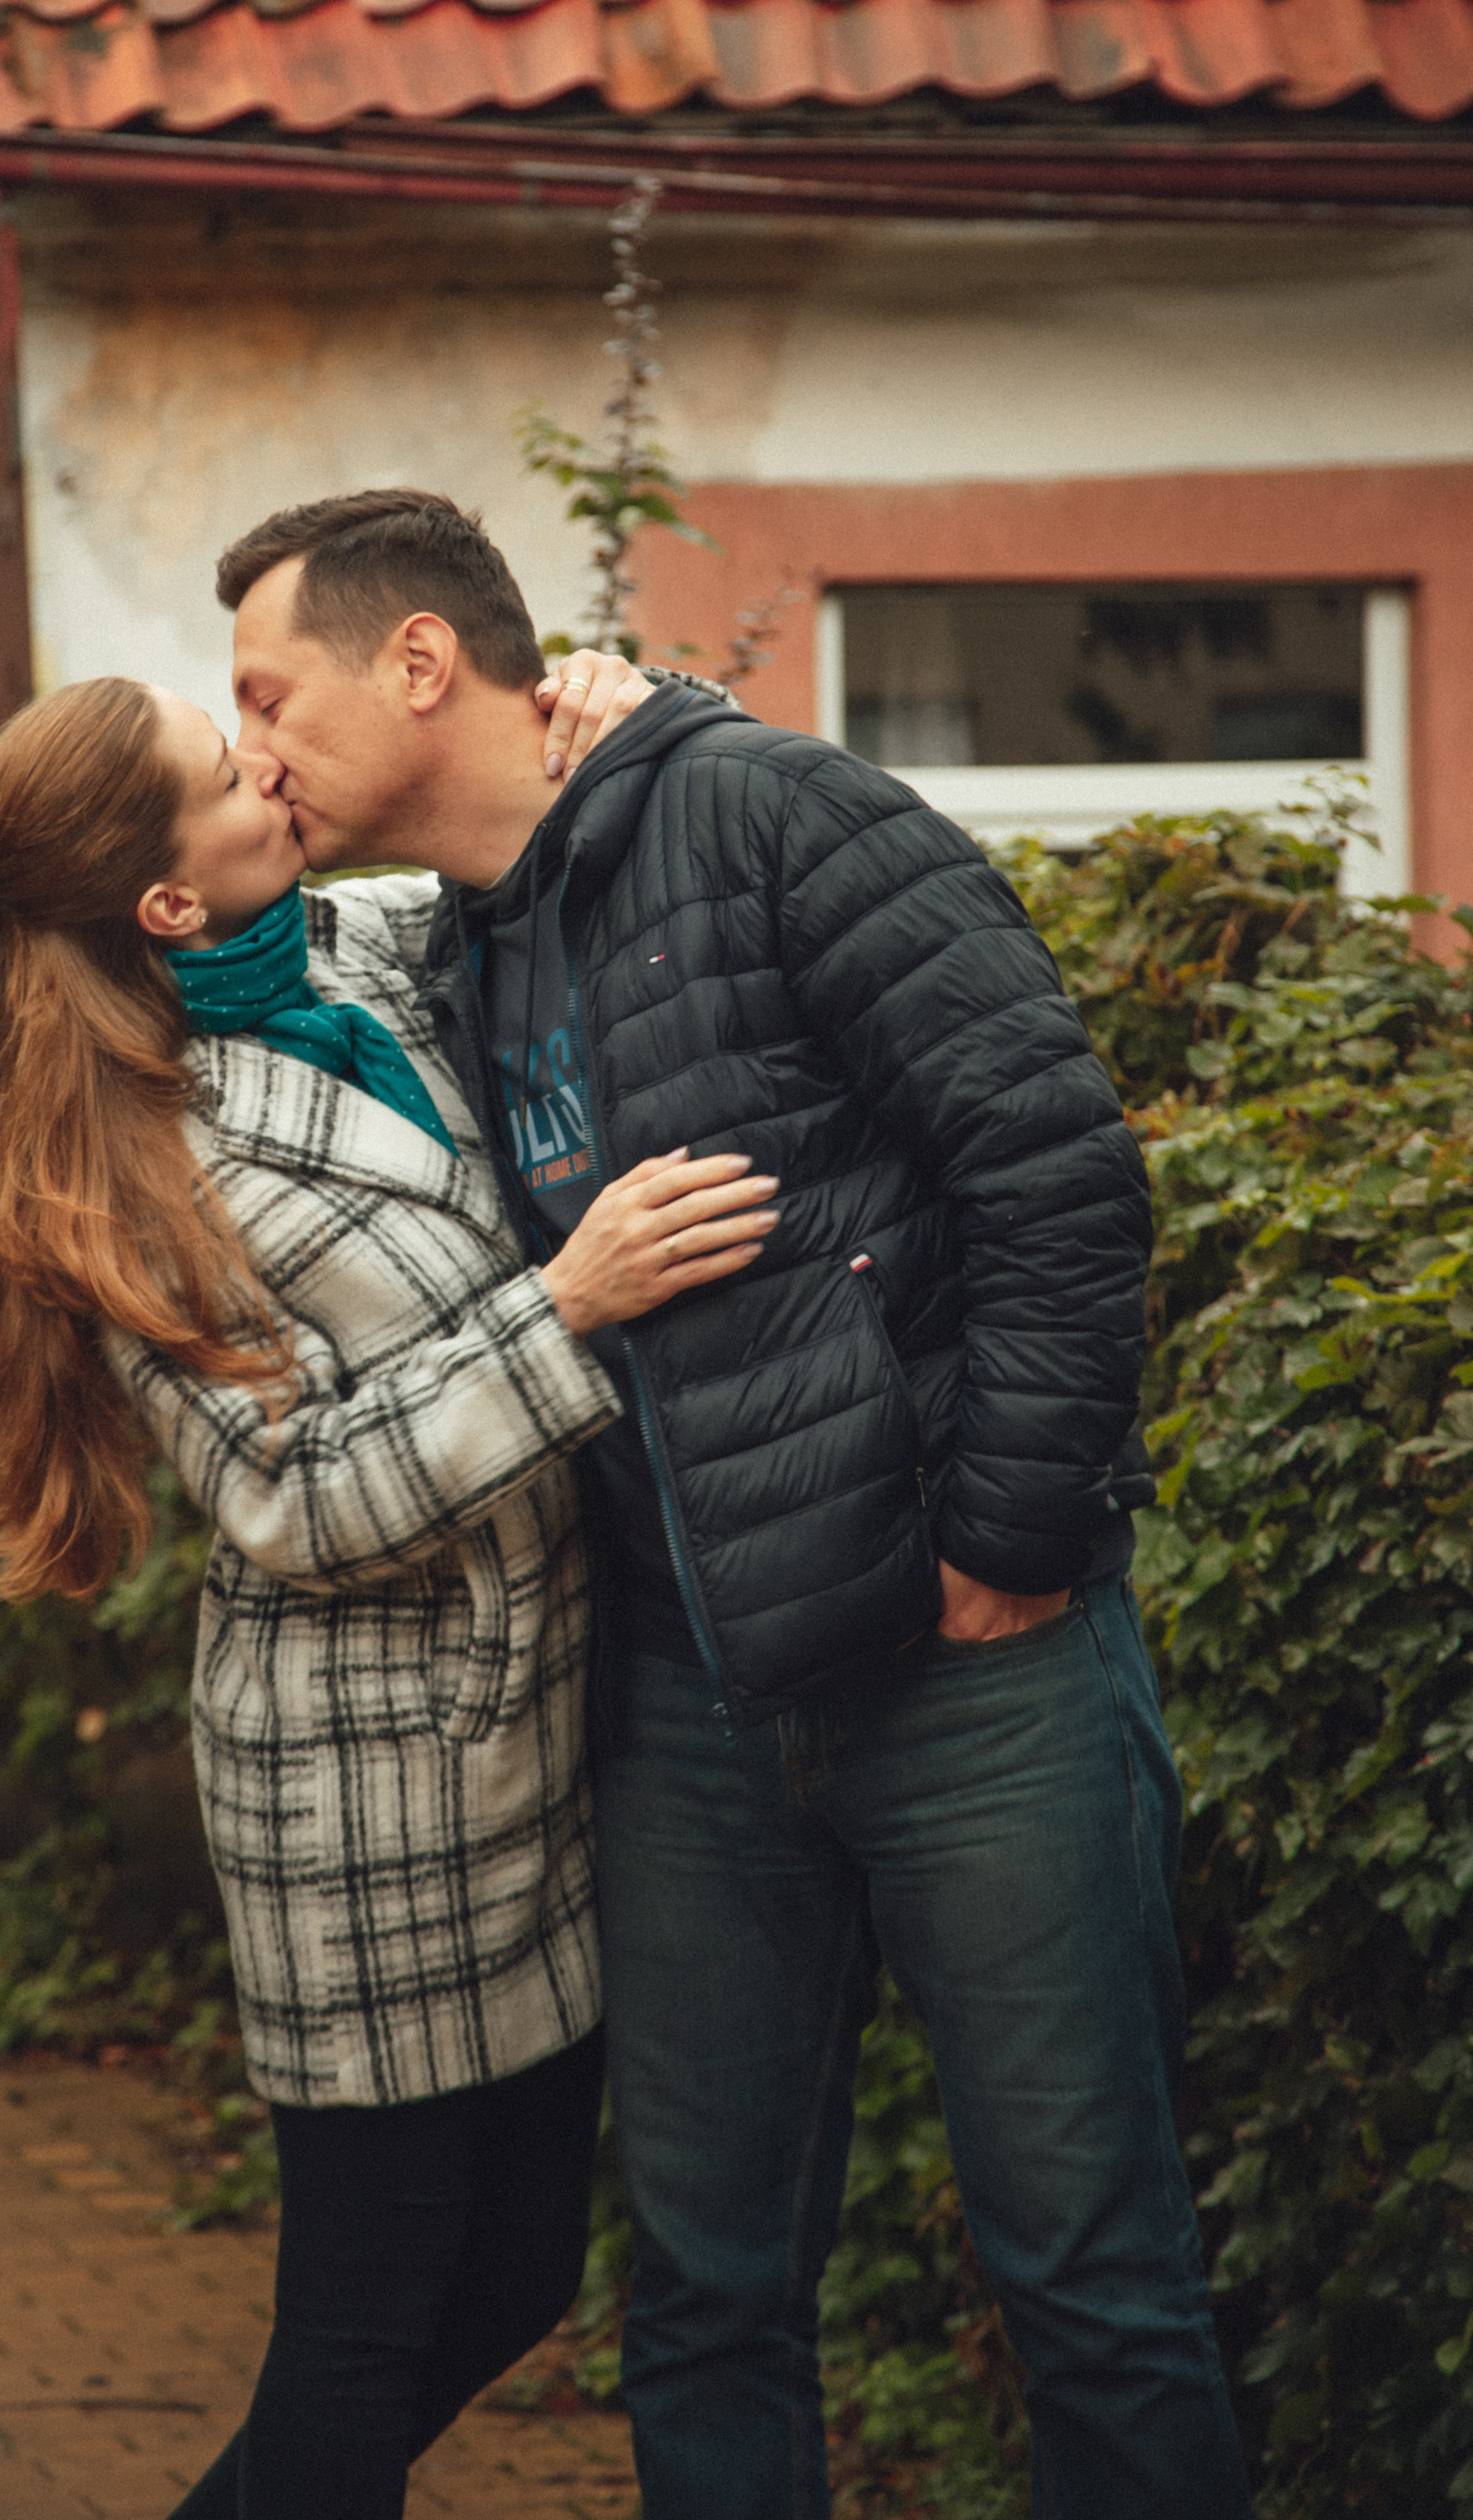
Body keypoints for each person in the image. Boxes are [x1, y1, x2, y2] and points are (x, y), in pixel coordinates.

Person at [213, 486, 1256, 2520]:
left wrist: (1008, 1549)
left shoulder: (783, 817)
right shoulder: (451, 950)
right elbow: (147, 910)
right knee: (703, 2297)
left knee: (1094, 2283)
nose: (249, 749)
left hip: (978, 1687)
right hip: (688, 1714)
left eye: (269, 693)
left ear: (418, 661)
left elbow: (1054, 1168)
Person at [0, 663, 780, 2520]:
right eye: (232, 770)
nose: (274, 765)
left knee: (521, 2274)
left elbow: (513, 847)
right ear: (164, 900)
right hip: (365, 1797)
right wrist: (577, 1310)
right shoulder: (129, 1169)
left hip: (527, 1738)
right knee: (368, 2332)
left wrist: (620, 703)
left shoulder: (350, 959)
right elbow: (295, 1502)